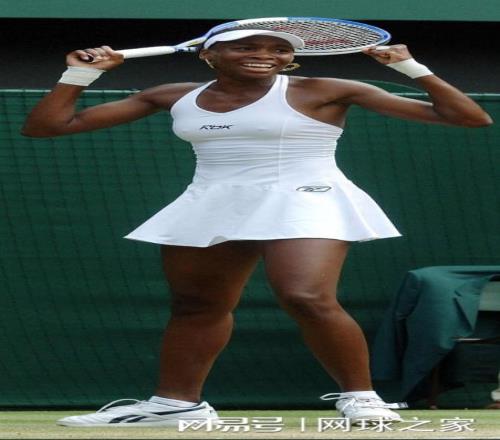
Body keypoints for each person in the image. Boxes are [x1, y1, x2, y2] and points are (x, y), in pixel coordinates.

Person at [22, 28, 492, 427]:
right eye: (247, 46)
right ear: (209, 55)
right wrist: (80, 75)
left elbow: (469, 117)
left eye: (278, 49)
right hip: (213, 199)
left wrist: (410, 67)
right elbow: (47, 126)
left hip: (307, 196)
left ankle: (362, 398)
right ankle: (175, 405)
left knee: (305, 295)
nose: (265, 55)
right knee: (196, 305)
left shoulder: (327, 89)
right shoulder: (170, 95)